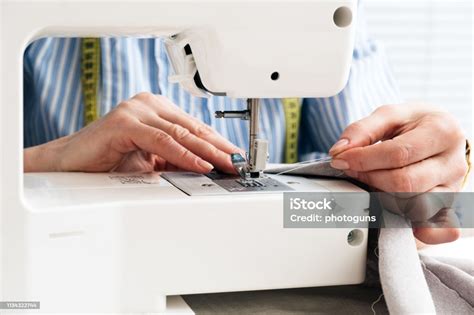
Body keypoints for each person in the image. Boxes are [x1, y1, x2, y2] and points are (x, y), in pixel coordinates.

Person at [23, 8, 468, 245]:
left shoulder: (325, 22)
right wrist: (40, 162)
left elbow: (418, 205)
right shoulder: (33, 31)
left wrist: (441, 167)